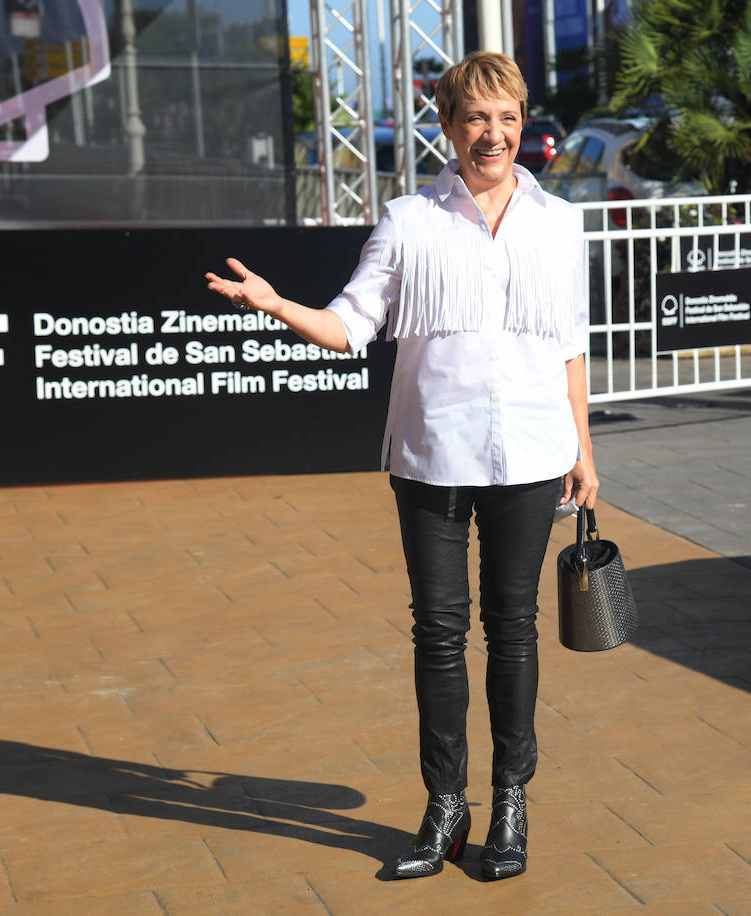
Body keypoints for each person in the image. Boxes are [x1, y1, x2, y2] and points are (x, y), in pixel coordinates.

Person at [205, 51, 597, 881]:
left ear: (523, 126)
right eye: (475, 119)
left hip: (530, 453)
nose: (492, 135)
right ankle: (446, 805)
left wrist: (583, 450)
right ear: (449, 127)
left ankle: (512, 801)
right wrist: (279, 307)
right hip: (431, 454)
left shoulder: (560, 223)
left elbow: (569, 345)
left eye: (507, 118)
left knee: (515, 628)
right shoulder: (410, 220)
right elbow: (351, 323)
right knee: (440, 631)